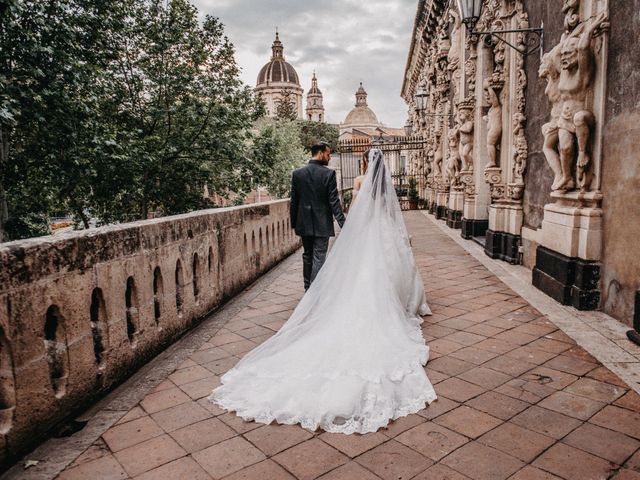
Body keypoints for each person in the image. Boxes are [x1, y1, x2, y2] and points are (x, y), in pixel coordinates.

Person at [209, 148, 436, 434]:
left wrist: (346, 228)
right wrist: (344, 223)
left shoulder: (352, 180)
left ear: (366, 162)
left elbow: (343, 208)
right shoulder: (372, 182)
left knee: (315, 260)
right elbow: (371, 210)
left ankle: (313, 290)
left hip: (324, 226)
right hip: (374, 232)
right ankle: (340, 292)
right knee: (350, 263)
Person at [289, 142, 345, 291]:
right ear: (320, 153)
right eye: (328, 154)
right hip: (322, 223)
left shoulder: (297, 174)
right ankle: (315, 292)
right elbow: (334, 201)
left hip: (304, 223)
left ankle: (308, 288)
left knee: (307, 255)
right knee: (319, 256)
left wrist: (294, 223)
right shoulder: (328, 174)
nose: (329, 158)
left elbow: (294, 201)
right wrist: (343, 224)